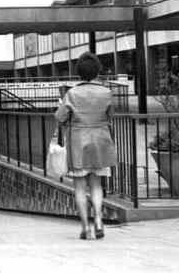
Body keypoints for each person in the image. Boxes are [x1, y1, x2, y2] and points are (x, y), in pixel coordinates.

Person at [55, 52, 116, 240]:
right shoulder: (106, 92)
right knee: (97, 184)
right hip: (100, 142)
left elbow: (60, 117)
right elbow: (110, 116)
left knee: (80, 187)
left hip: (78, 144)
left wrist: (61, 105)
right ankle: (98, 220)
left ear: (79, 72)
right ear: (97, 71)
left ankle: (85, 228)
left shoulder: (72, 94)